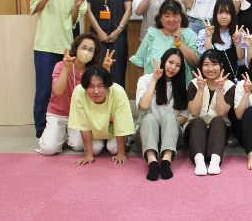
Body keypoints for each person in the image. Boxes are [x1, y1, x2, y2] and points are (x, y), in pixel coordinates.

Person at [30, 0, 87, 138]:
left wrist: (77, 5)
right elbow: (34, 9)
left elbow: (73, 21)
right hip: (45, 45)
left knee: (65, 88)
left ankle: (64, 125)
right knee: (45, 88)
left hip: (66, 48)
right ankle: (41, 127)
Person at [37, 33, 104, 155]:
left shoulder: (92, 70)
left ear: (94, 53)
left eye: (91, 50)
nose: (86, 52)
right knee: (49, 149)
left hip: (79, 115)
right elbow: (58, 91)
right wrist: (66, 68)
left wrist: (106, 70)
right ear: (76, 48)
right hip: (58, 113)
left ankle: (67, 134)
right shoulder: (61, 65)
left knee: (79, 146)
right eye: (83, 47)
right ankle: (52, 133)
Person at [136, 48, 189, 181]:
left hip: (171, 135)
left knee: (169, 117)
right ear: (163, 61)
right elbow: (143, 106)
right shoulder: (145, 80)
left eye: (178, 65)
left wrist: (164, 122)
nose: (173, 68)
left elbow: (184, 116)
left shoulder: (182, 86)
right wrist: (154, 80)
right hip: (146, 133)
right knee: (149, 118)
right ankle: (152, 162)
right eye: (170, 62)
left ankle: (166, 161)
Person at [68, 66, 135, 166]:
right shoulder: (79, 92)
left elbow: (121, 123)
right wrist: (88, 154)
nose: (96, 91)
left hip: (114, 130)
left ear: (107, 87)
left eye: (100, 86)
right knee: (94, 150)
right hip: (95, 130)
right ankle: (102, 143)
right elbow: (83, 124)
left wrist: (121, 153)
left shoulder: (117, 91)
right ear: (85, 87)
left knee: (114, 149)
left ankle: (128, 138)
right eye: (91, 86)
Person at [85, 0, 132, 87]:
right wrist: (99, 32)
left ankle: (117, 101)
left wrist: (118, 31)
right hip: (96, 36)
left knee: (118, 73)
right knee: (96, 73)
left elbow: (128, 10)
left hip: (118, 37)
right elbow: (87, 10)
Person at [185, 50, 236, 176]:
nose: (210, 69)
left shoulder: (229, 86)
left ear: (221, 66)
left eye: (214, 64)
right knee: (197, 121)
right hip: (195, 128)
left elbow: (221, 112)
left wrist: (220, 90)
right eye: (206, 65)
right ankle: (199, 161)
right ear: (201, 67)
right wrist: (200, 89)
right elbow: (194, 112)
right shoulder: (194, 84)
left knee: (218, 120)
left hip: (219, 129)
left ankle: (215, 161)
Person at [130, 0, 199, 86]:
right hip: (153, 86)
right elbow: (141, 64)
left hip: (181, 88)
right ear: (160, 18)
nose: (171, 19)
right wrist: (141, 88)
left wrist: (180, 43)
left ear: (181, 17)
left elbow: (195, 62)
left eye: (175, 15)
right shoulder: (151, 34)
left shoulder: (189, 34)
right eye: (167, 16)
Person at [196, 0, 246, 85]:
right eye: (220, 12)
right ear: (215, 14)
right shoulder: (205, 33)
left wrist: (237, 43)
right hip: (212, 82)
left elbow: (241, 61)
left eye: (227, 13)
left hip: (233, 82)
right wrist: (209, 36)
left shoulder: (238, 34)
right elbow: (205, 56)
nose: (224, 16)